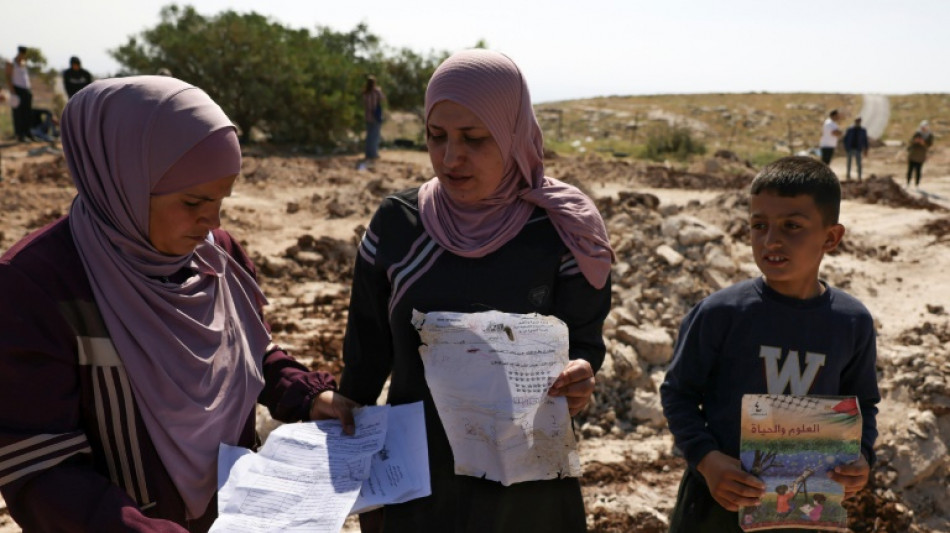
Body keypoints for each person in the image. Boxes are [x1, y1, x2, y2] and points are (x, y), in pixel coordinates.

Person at [0, 76, 358, 531]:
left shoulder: (216, 255)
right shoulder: (39, 287)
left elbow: (248, 350)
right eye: (193, 202)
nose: (211, 220)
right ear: (122, 182)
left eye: (221, 201)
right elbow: (42, 470)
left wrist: (308, 395)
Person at [339, 49, 614, 533]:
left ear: (512, 134)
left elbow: (585, 345)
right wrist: (357, 473)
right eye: (436, 136)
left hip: (525, 489)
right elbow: (364, 361)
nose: (450, 157)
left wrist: (581, 377)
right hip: (419, 486)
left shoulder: (561, 232)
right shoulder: (398, 226)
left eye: (474, 138)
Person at [660, 156, 880, 532]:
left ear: (831, 237)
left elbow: (862, 406)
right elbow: (677, 394)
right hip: (717, 506)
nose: (771, 240)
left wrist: (861, 457)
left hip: (805, 512)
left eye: (791, 225)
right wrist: (708, 461)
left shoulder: (851, 322)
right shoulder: (720, 313)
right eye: (758, 225)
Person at [5, 45, 34, 142]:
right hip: (17, 90)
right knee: (18, 114)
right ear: (20, 53)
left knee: (27, 112)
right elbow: (8, 77)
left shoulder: (24, 63)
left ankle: (28, 133)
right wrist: (13, 92)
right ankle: (20, 135)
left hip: (26, 90)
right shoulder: (11, 63)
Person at [362, 75, 384, 162]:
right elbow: (383, 98)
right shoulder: (376, 92)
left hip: (367, 116)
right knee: (375, 135)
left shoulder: (365, 93)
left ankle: (368, 154)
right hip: (375, 116)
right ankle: (374, 154)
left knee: (369, 136)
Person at [906, 120, 935, 188]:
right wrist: (915, 141)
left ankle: (917, 184)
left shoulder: (929, 135)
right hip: (913, 154)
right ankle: (908, 183)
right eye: (922, 127)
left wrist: (923, 143)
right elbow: (911, 141)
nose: (923, 128)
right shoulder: (917, 133)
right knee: (910, 170)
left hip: (921, 156)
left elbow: (929, 144)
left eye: (924, 127)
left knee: (918, 171)